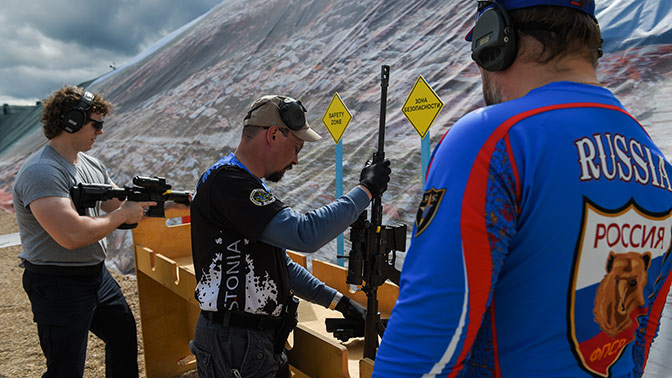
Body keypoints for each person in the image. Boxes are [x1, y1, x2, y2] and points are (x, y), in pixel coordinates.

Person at [373, 1, 672, 377]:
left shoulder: (491, 141)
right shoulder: (661, 168)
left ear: (493, 38)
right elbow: (640, 336)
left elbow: (422, 351)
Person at [189, 94, 391, 377]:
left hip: (253, 341)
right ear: (273, 134)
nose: (296, 160)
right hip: (235, 344)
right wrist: (366, 190)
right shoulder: (229, 182)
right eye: (296, 147)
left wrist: (340, 303)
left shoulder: (242, 184)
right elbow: (304, 234)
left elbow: (279, 266)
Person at [12, 86, 155, 377]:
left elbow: (118, 202)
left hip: (95, 275)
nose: (100, 132)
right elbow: (72, 236)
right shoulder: (42, 171)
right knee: (66, 368)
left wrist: (164, 200)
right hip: (57, 284)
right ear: (71, 122)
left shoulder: (90, 164)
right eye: (96, 124)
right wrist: (123, 214)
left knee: (123, 336)